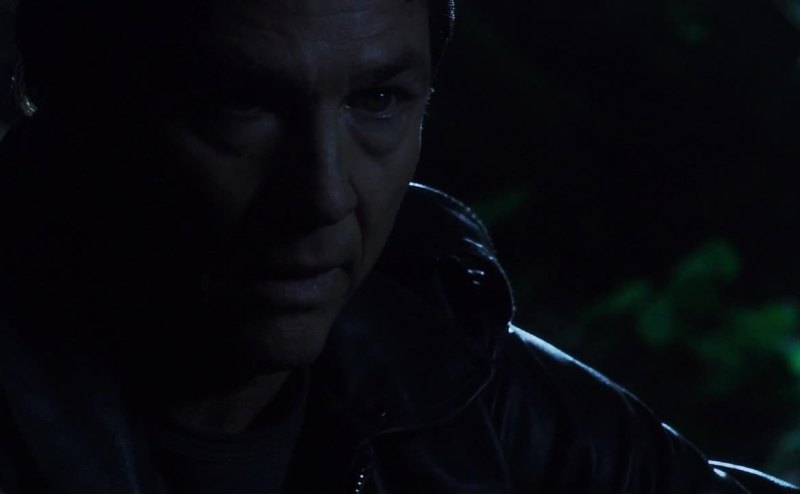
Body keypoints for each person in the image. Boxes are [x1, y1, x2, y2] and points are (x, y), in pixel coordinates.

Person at [0, 0, 796, 492]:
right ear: (72, 106)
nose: (323, 194)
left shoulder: (451, 376)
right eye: (240, 104)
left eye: (377, 99)